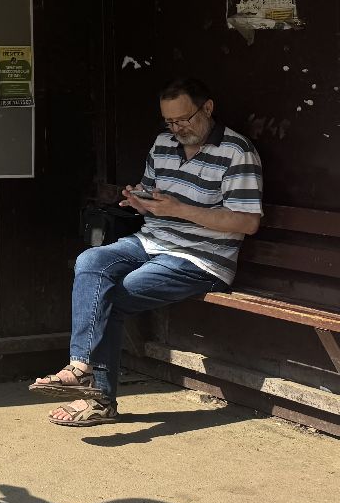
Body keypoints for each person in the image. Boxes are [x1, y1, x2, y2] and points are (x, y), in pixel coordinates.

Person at [30, 77, 263, 426]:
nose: (178, 128)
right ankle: (81, 367)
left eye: (184, 119)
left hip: (200, 257)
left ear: (208, 108)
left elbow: (247, 222)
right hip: (153, 241)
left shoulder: (237, 151)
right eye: (170, 121)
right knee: (90, 260)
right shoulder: (163, 144)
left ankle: (99, 399)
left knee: (111, 295)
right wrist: (139, 200)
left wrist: (178, 209)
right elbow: (155, 199)